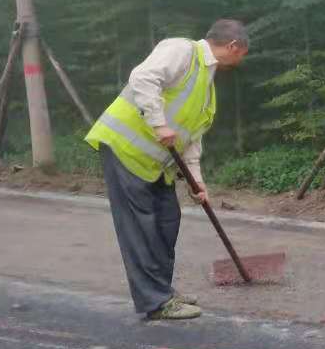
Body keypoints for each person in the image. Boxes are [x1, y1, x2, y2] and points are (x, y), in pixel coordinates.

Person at [84, 20, 250, 321]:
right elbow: (143, 78)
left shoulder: (207, 86)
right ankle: (155, 302)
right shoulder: (182, 51)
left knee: (167, 221)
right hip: (126, 149)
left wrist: (197, 183)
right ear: (234, 46)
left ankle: (163, 290)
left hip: (157, 165)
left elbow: (190, 140)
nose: (240, 62)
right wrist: (159, 123)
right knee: (140, 228)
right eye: (242, 55)